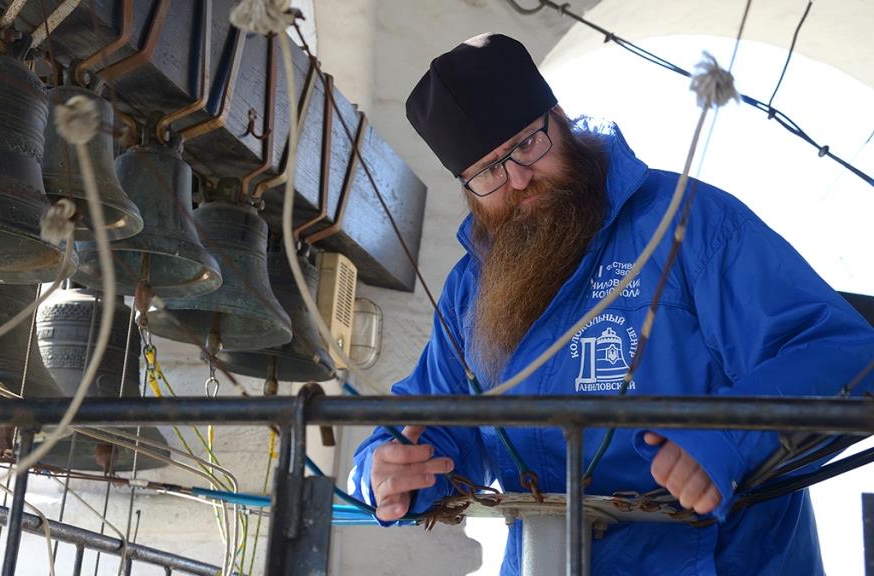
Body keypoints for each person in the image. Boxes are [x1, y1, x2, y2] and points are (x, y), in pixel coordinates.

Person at [347, 32, 874, 575]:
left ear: (560, 120)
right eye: (488, 171)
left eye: (526, 145)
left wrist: (728, 437)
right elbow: (430, 423)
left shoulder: (689, 223)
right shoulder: (471, 289)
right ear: (466, 185)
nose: (518, 180)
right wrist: (385, 470)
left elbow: (849, 358)